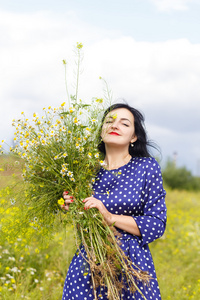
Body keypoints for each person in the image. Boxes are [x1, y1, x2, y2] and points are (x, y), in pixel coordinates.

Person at [62, 103, 167, 300]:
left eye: (124, 123)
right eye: (109, 121)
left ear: (134, 137)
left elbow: (157, 224)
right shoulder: (85, 171)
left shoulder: (146, 167)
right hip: (89, 264)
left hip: (132, 267)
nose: (115, 125)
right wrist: (71, 205)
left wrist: (109, 217)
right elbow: (83, 225)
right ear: (101, 130)